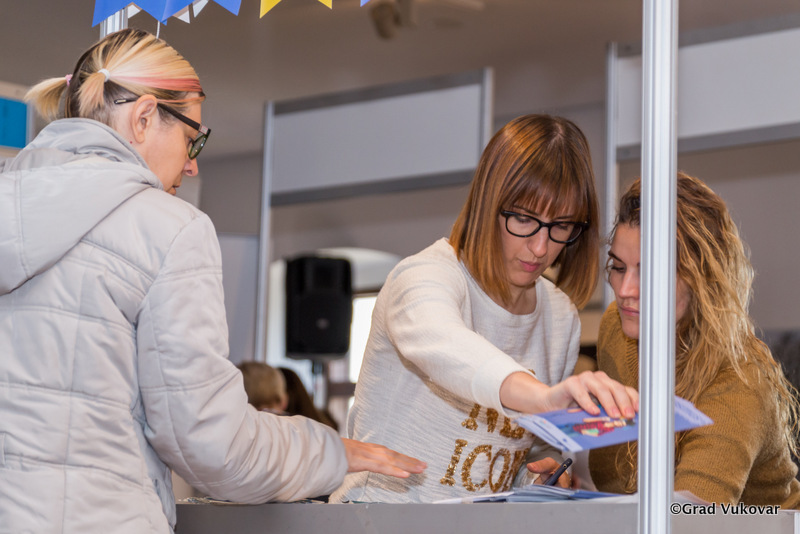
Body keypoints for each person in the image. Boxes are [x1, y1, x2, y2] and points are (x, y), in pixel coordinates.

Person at [0, 29, 424, 533]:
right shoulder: (168, 228)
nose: (193, 163)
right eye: (192, 137)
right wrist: (331, 451)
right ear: (143, 117)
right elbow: (211, 445)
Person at [331, 114, 639, 503]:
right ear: (487, 204)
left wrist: (542, 476)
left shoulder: (560, 317)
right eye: (524, 219)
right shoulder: (425, 276)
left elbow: (527, 456)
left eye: (561, 226)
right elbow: (446, 345)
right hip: (375, 518)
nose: (540, 247)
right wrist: (544, 397)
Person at [589, 172, 800, 506]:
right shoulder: (617, 327)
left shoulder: (739, 381)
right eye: (618, 267)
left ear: (701, 276)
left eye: (650, 272)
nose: (625, 290)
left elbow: (687, 519)